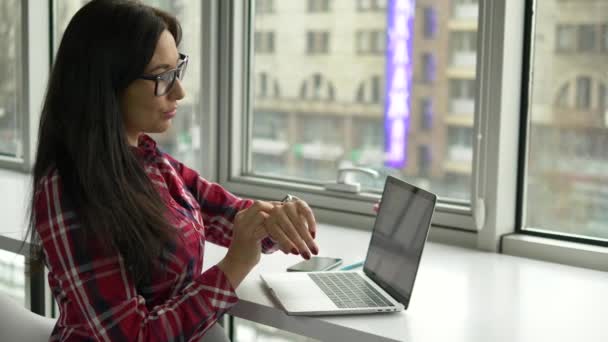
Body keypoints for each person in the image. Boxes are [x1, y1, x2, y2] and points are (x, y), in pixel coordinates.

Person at [27, 1, 319, 341]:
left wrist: (278, 220)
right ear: (107, 84)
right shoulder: (68, 192)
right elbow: (134, 337)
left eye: (177, 70)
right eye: (163, 77)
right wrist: (234, 265)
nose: (179, 91)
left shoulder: (149, 160)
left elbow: (229, 214)